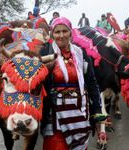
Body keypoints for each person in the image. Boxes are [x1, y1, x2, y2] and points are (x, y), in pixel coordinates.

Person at [40, 17, 107, 150]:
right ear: (52, 34)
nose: (61, 35)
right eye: (57, 32)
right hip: (54, 116)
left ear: (71, 33)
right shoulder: (44, 53)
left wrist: (98, 110)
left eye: (65, 31)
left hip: (80, 114)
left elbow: (92, 83)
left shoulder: (81, 53)